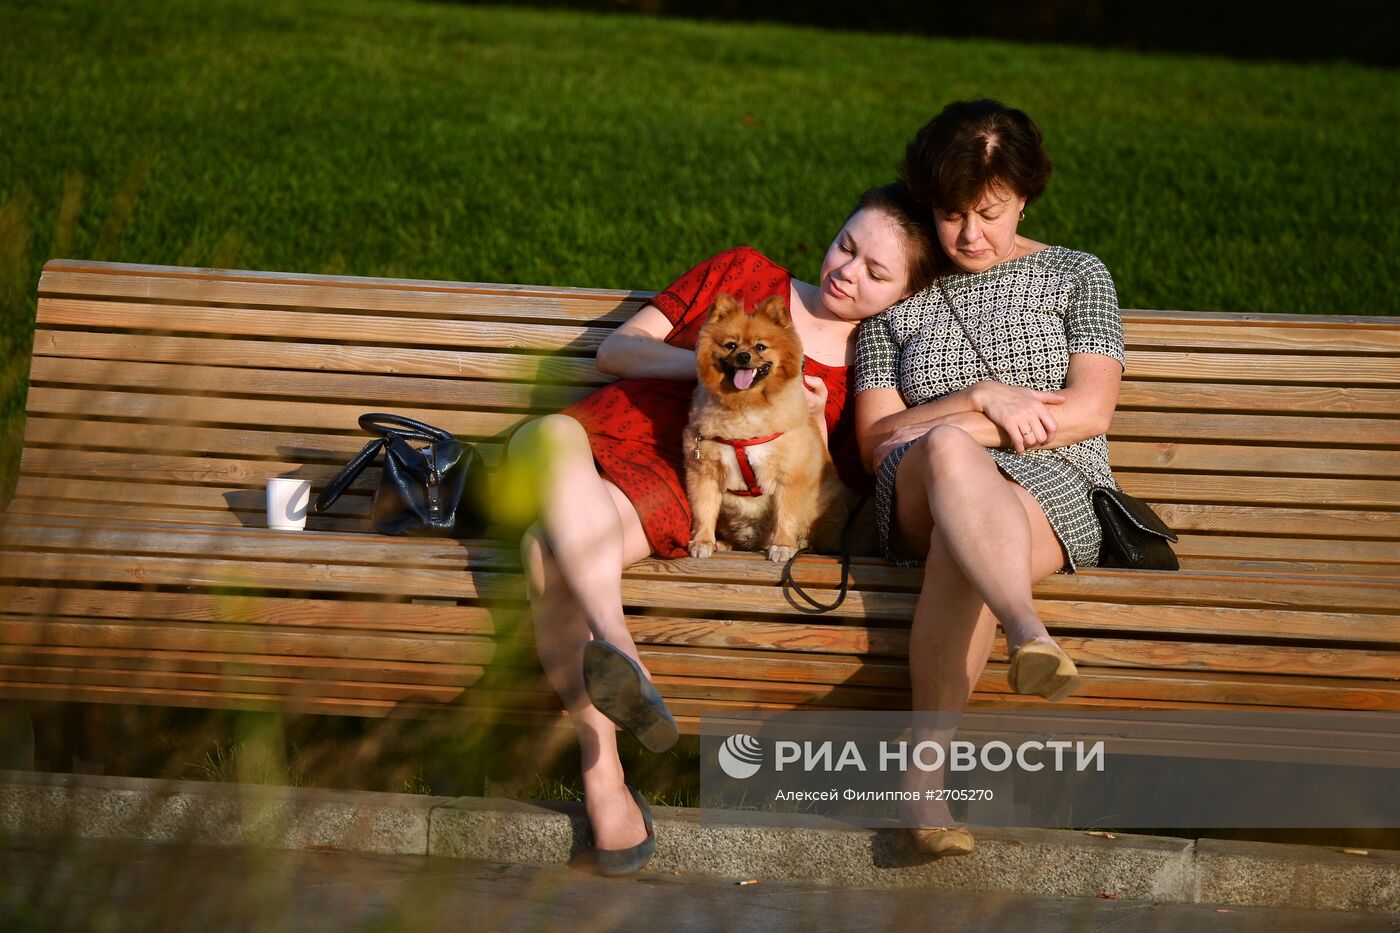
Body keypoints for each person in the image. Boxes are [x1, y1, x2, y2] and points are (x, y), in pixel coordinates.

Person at [506, 183, 938, 875]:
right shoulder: (744, 273)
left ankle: (602, 771)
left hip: (678, 483)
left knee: (543, 550)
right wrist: (725, 366)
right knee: (547, 434)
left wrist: (803, 415)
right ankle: (618, 644)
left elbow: (837, 489)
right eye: (845, 246)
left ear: (904, 293)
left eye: (875, 273)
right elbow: (618, 350)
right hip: (610, 427)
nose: (846, 271)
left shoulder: (872, 362)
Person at [854, 99, 1126, 858]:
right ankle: (1027, 630)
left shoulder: (1077, 276)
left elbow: (1089, 411)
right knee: (946, 454)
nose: (970, 235)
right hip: (916, 486)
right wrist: (977, 401)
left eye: (990, 213)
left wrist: (962, 430)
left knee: (961, 535)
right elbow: (878, 442)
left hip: (1051, 488)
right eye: (950, 215)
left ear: (1025, 198)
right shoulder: (898, 292)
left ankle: (922, 786)